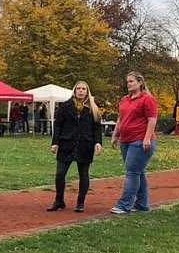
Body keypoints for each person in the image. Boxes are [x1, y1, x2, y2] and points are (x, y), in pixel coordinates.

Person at [47, 81, 103, 213]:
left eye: (83, 89)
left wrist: (98, 142)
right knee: (60, 174)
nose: (81, 91)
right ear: (74, 90)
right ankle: (59, 200)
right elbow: (58, 125)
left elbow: (97, 128)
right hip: (66, 143)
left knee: (83, 174)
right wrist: (55, 143)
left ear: (87, 91)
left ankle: (80, 202)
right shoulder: (65, 106)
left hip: (85, 144)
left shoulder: (92, 108)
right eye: (78, 88)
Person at [110, 72, 158, 214]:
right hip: (126, 140)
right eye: (127, 82)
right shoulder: (125, 99)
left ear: (140, 83)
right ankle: (142, 204)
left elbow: (152, 120)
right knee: (138, 172)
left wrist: (147, 138)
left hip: (140, 140)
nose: (128, 84)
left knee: (132, 172)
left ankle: (124, 205)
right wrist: (115, 135)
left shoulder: (147, 99)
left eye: (131, 81)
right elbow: (121, 118)